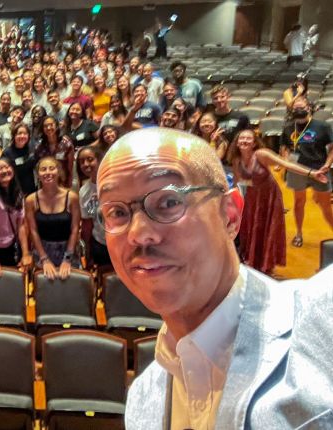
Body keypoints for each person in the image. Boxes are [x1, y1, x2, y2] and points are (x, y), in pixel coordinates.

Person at [98, 127, 333, 429]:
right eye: (117, 212)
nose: (139, 234)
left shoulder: (322, 318)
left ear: (230, 215)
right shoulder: (143, 400)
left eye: (169, 202)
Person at [228, 129, 328, 274]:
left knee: (267, 229)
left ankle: (266, 265)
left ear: (254, 142)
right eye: (241, 138)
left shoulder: (262, 154)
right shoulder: (236, 160)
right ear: (236, 142)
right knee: (250, 228)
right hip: (251, 198)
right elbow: (238, 183)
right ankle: (252, 263)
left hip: (269, 197)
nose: (244, 141)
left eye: (248, 138)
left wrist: (311, 173)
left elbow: (286, 164)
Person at [280, 97, 333, 247]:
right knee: (298, 203)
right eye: (295, 108)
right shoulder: (288, 127)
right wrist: (286, 162)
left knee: (325, 206)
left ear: (309, 107)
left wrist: (328, 165)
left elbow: (332, 147)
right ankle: (299, 233)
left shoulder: (322, 126)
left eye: (301, 107)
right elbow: (284, 147)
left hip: (319, 169)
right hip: (297, 170)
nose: (298, 110)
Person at [25, 156, 80, 280]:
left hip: (68, 249)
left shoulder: (71, 197)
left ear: (59, 171)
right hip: (42, 251)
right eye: (43, 169)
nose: (48, 172)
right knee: (45, 290)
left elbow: (75, 229)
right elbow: (33, 231)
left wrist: (67, 258)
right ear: (38, 175)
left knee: (69, 289)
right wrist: (44, 259)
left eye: (51, 168)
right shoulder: (31, 200)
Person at [0, 158, 32, 276]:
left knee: (11, 284)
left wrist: (25, 253)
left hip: (10, 246)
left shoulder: (18, 193)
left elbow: (21, 225)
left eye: (7, 167)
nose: (4, 170)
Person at [76, 145, 110, 268]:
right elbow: (87, 224)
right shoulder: (84, 191)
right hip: (100, 243)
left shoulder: (117, 182)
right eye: (81, 162)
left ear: (99, 160)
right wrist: (88, 252)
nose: (86, 164)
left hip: (123, 241)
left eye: (90, 159)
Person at [34, 116, 74, 188]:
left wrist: (69, 184)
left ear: (56, 126)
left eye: (51, 125)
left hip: (63, 183)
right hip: (46, 184)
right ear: (42, 129)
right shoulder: (39, 146)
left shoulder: (66, 143)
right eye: (45, 126)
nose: (49, 128)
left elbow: (70, 168)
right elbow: (38, 168)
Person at [1, 123, 37, 195]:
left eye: (25, 133)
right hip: (14, 190)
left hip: (31, 188)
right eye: (19, 133)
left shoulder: (32, 149)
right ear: (14, 136)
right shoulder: (7, 152)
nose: (22, 136)